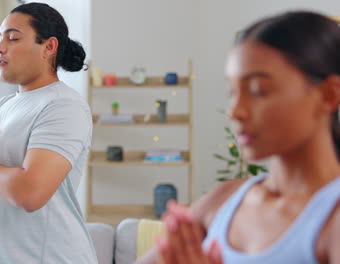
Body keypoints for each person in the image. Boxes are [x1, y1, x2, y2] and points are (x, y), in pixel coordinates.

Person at [137, 11, 340, 264]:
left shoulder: (332, 219)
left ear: (329, 95)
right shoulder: (223, 200)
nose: (235, 110)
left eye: (258, 90)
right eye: (232, 92)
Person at [0, 3, 97, 263]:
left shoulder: (63, 106)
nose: (0, 47)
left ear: (48, 47)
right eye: (0, 38)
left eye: (12, 38)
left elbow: (30, 193)